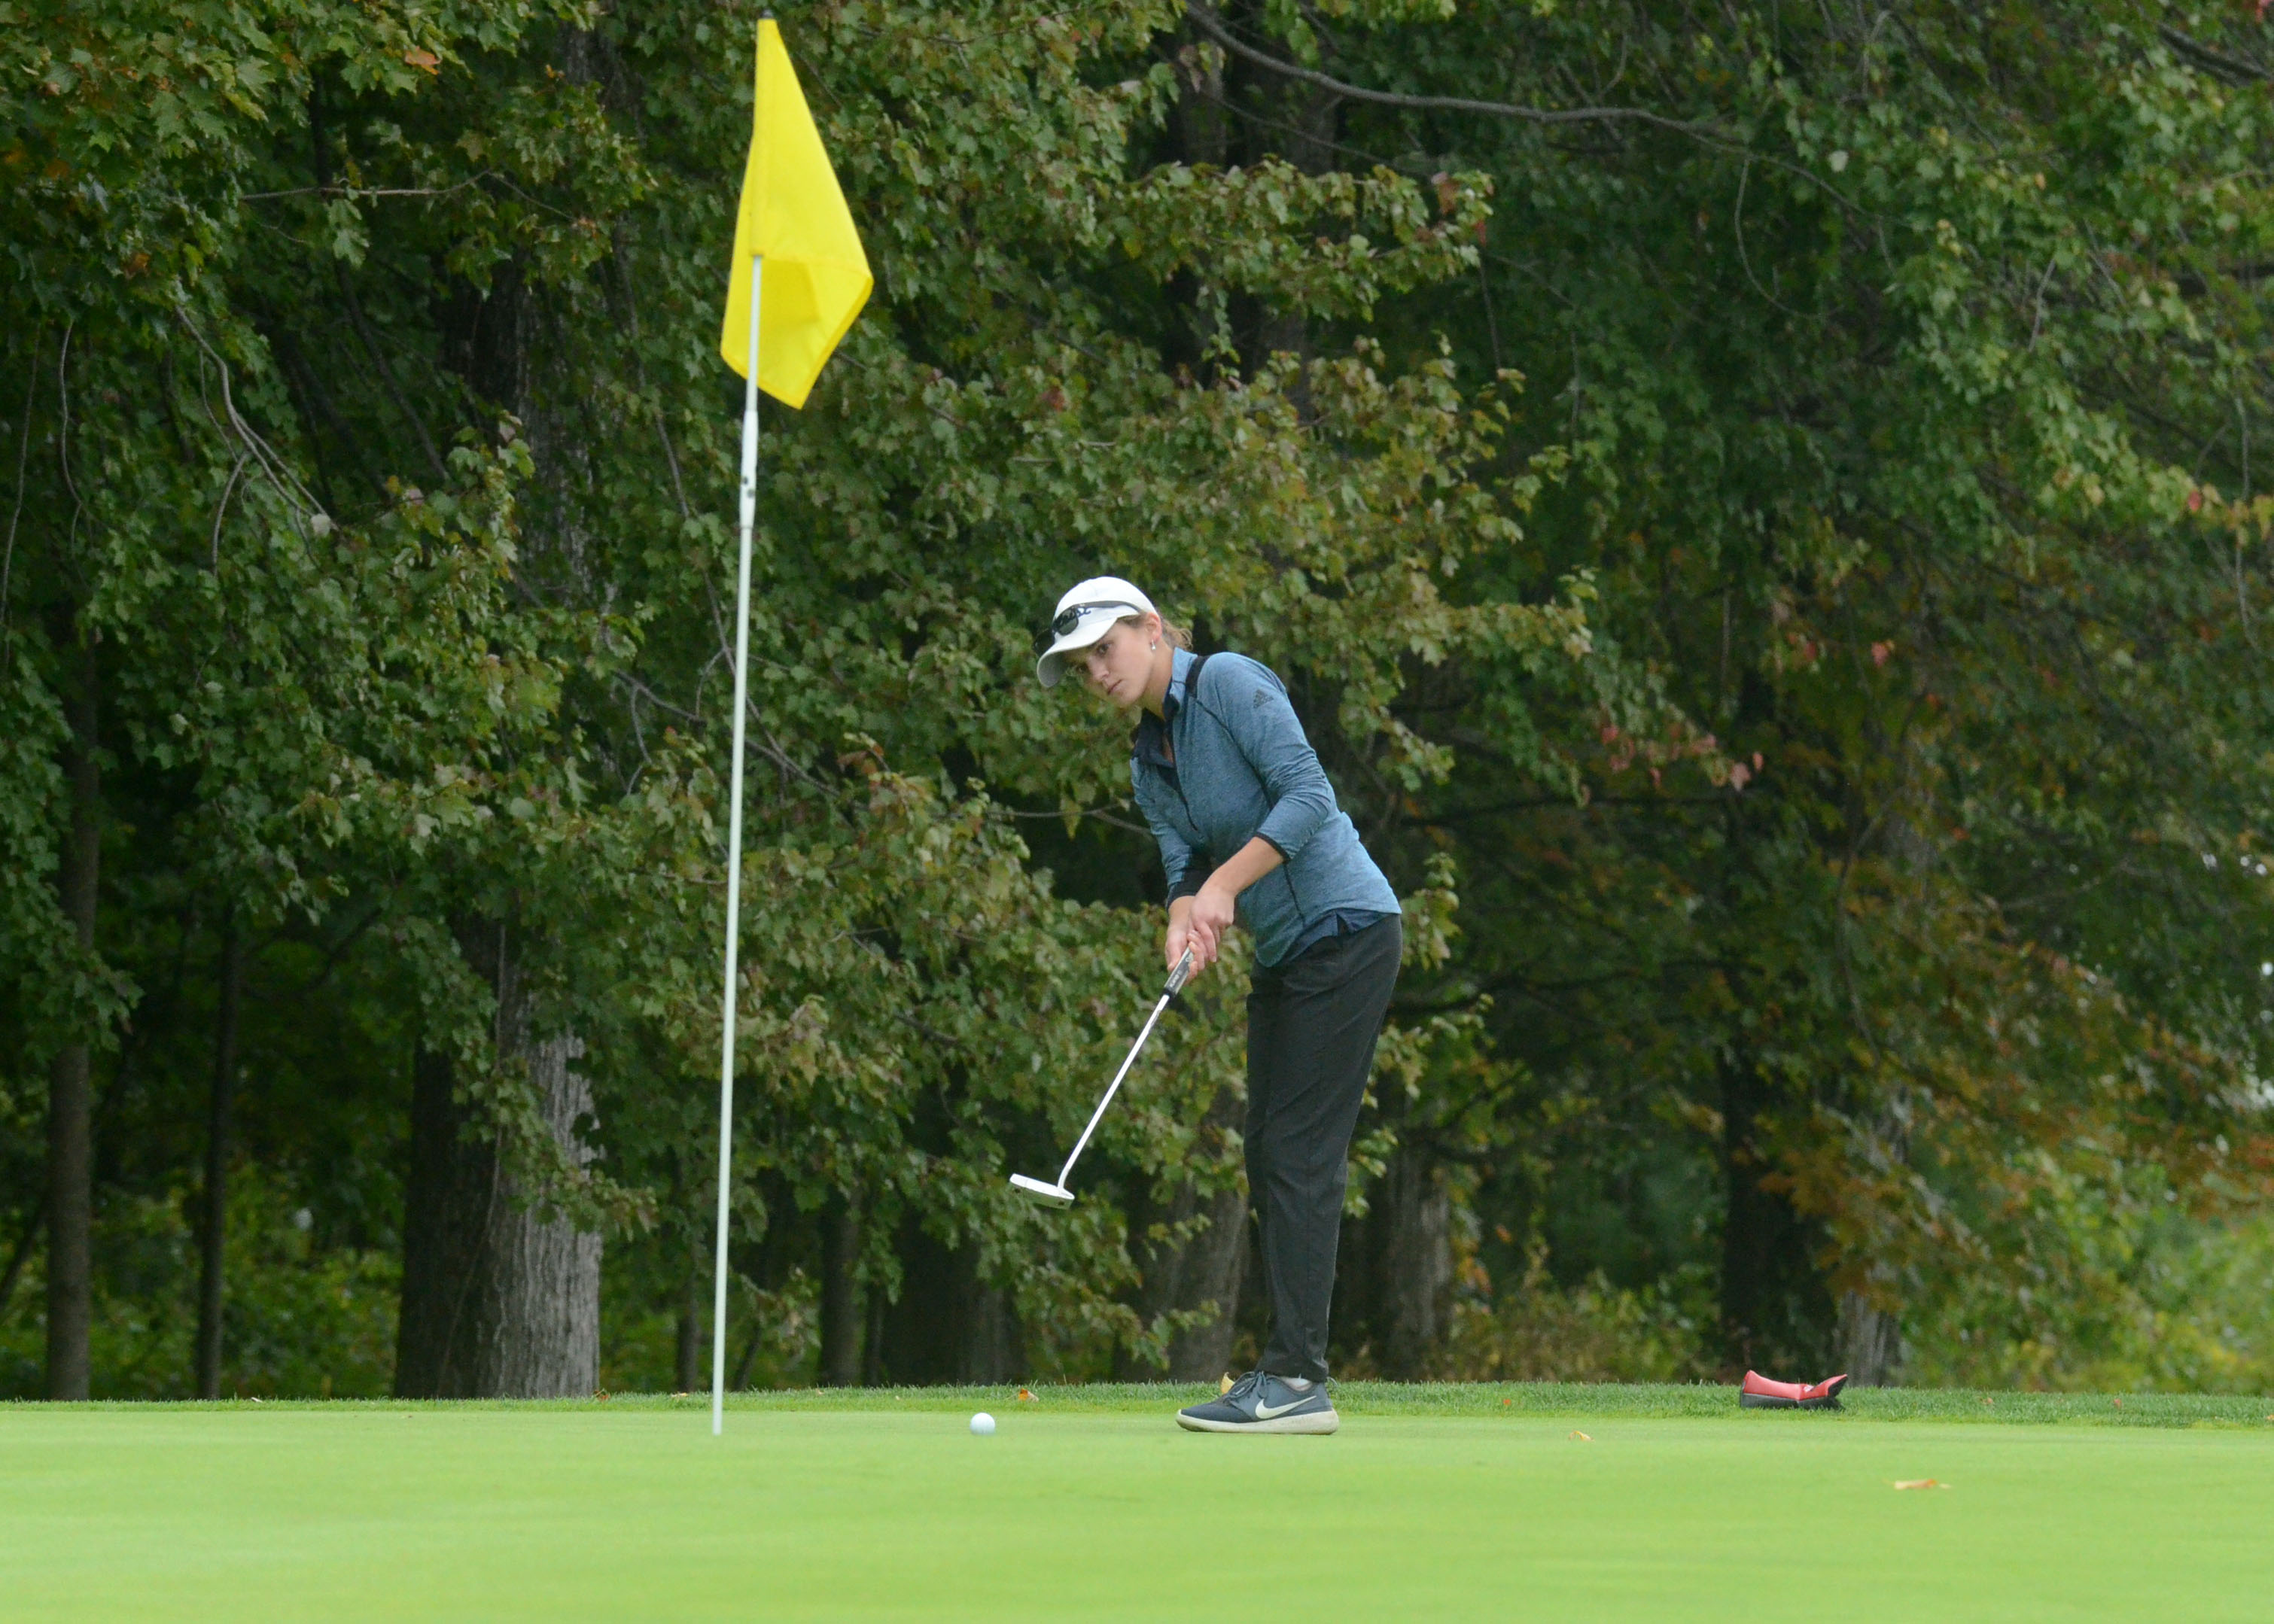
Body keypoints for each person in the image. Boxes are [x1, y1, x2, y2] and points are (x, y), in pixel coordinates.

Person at [1036, 576, 1404, 1434]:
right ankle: (1285, 1368)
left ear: (1152, 629)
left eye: (1104, 648)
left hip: (1347, 931)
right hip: (1288, 953)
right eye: (1081, 662)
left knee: (1299, 1153)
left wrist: (1226, 889)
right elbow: (1181, 865)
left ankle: (1299, 1378)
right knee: (1270, 1151)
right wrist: (1182, 918)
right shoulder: (1147, 755)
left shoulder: (1230, 682)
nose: (1096, 671)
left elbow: (1310, 797)